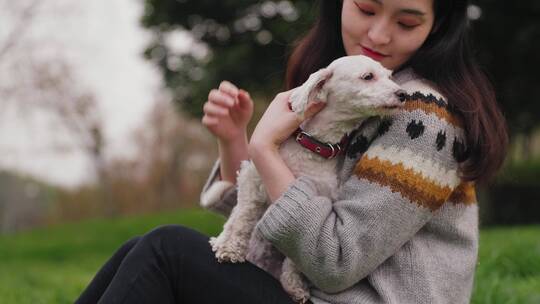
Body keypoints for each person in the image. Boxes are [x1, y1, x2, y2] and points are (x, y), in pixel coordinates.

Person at [75, 0, 508, 303]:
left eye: (407, 23)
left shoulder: (421, 116)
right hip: (307, 290)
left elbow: (335, 259)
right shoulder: (344, 91)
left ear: (438, 26)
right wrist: (235, 142)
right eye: (366, 8)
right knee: (141, 249)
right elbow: (276, 221)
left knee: (166, 251)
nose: (378, 34)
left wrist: (264, 148)